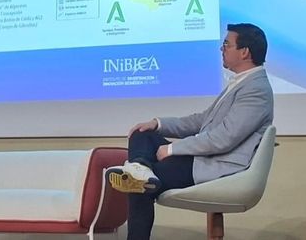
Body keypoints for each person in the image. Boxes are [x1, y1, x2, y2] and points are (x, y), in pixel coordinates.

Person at [105, 23, 273, 240]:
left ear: (245, 52)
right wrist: (158, 123)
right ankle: (140, 168)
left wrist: (172, 149)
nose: (221, 49)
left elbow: (224, 138)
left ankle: (140, 172)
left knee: (137, 185)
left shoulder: (256, 89)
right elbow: (201, 121)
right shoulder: (242, 83)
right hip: (204, 158)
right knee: (142, 134)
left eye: (226, 44)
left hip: (217, 165)